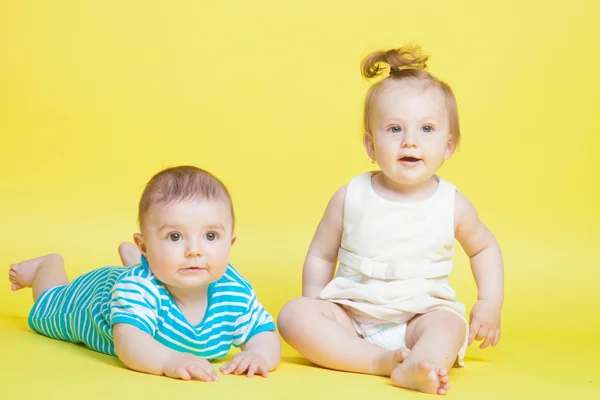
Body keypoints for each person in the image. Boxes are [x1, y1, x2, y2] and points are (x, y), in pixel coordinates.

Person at [277, 45, 504, 395]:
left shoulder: (452, 204)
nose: (410, 141)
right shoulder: (350, 195)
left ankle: (420, 364)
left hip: (420, 316)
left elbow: (484, 248)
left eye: (427, 129)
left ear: (448, 145)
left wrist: (489, 303)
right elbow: (321, 254)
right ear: (371, 145)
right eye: (395, 129)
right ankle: (378, 361)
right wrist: (317, 304)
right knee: (293, 315)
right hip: (351, 315)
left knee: (447, 326)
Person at [9, 165, 281, 382]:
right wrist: (168, 360)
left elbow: (264, 332)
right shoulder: (137, 290)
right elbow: (130, 343)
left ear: (230, 244)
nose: (194, 250)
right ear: (145, 246)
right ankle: (48, 266)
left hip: (146, 276)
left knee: (151, 274)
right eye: (175, 237)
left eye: (210, 235)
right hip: (91, 300)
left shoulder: (233, 288)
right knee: (49, 303)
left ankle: (137, 260)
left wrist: (259, 355)